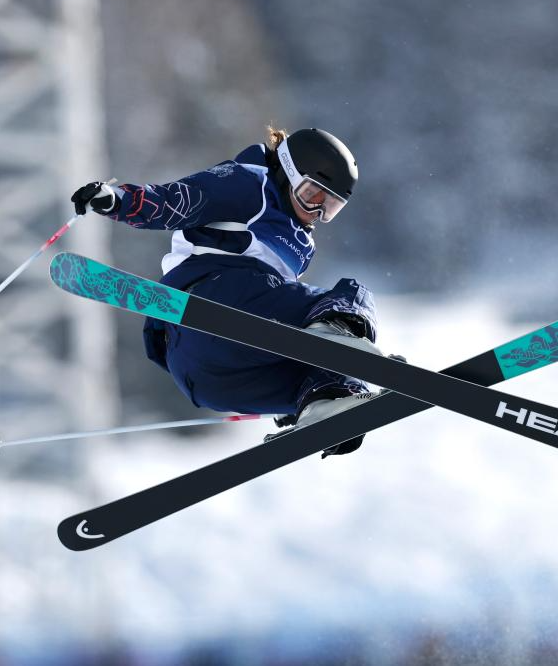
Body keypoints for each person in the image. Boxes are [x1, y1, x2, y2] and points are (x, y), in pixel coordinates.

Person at [70, 127, 397, 457]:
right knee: (353, 296)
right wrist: (120, 200)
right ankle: (336, 334)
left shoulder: (301, 243)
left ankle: (325, 404)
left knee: (327, 375)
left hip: (210, 381)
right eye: (312, 195)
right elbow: (176, 201)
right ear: (288, 170)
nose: (316, 212)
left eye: (330, 207)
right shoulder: (249, 182)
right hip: (213, 304)